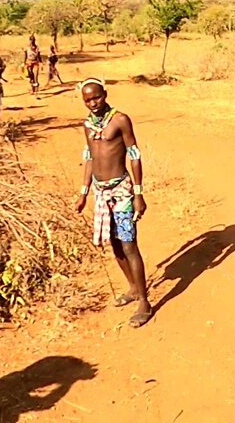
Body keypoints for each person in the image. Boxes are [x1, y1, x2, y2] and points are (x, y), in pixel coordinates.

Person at [74, 79, 152, 328]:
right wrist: (84, 192)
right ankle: (132, 288)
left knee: (129, 245)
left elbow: (135, 155)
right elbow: (89, 157)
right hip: (100, 192)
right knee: (114, 244)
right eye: (87, 100)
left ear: (105, 94)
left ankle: (145, 302)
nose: (93, 103)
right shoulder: (87, 125)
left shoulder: (120, 120)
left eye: (96, 97)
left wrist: (139, 193)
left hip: (122, 191)